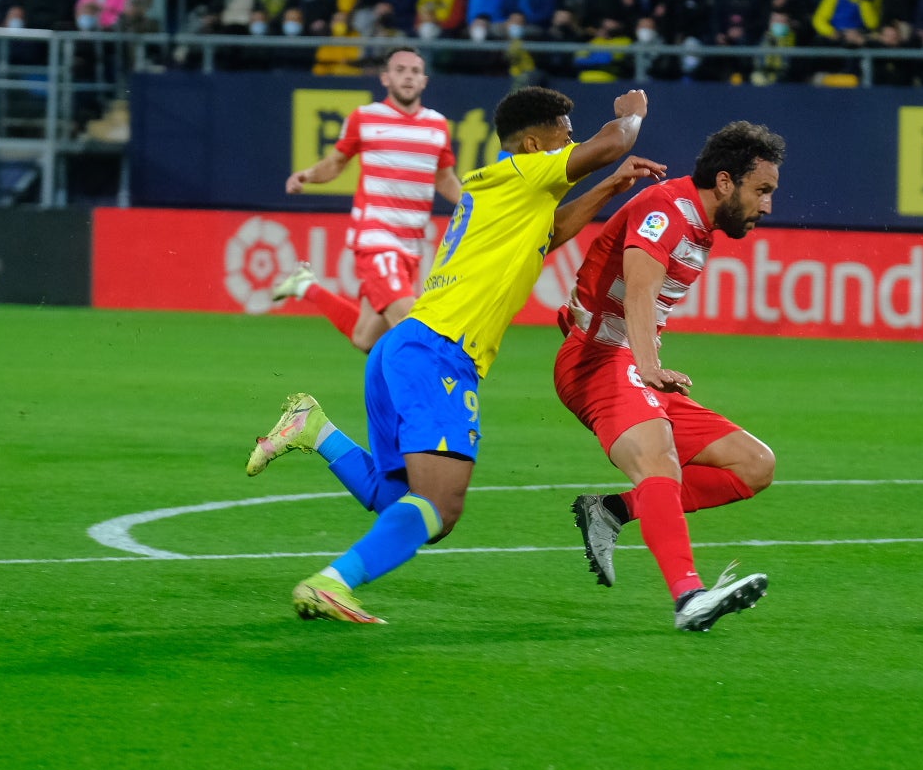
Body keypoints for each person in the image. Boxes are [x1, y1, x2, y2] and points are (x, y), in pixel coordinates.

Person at [244, 86, 664, 624]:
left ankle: (314, 428)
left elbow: (551, 232)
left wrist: (610, 187)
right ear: (535, 144)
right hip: (440, 353)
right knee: (441, 507)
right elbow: (611, 142)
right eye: (565, 133)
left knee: (401, 502)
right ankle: (332, 582)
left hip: (403, 348)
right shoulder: (526, 171)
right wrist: (629, 117)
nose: (573, 140)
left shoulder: (500, 191)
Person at [556, 122, 783, 632]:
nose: (767, 205)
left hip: (626, 361)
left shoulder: (700, 227)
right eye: (761, 190)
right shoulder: (668, 211)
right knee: (659, 457)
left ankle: (612, 510)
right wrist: (649, 366)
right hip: (598, 361)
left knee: (754, 465)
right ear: (725, 182)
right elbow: (639, 291)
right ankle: (689, 598)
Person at [271, 48, 464, 352]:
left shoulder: (437, 125)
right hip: (376, 238)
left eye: (415, 71)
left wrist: (474, 205)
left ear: (424, 80)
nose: (408, 76)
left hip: (411, 243)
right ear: (386, 78)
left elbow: (445, 179)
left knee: (366, 339)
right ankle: (435, 398)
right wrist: (308, 175)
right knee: (411, 326)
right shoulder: (365, 118)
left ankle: (306, 286)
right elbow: (336, 162)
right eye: (400, 70)